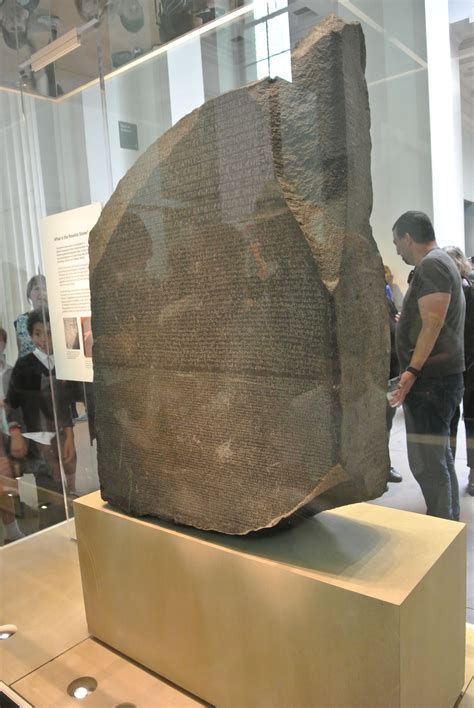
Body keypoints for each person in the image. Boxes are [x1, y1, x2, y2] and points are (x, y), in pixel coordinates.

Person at [390, 211, 465, 521]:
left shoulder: (432, 264)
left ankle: (443, 526)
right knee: (439, 460)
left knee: (429, 463)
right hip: (439, 381)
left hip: (432, 384)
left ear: (409, 238)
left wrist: (411, 372)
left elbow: (432, 325)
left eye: (397, 243)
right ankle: (446, 522)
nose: (396, 250)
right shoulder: (440, 262)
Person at [5, 308, 77, 526]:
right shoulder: (25, 365)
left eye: (49, 333)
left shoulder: (63, 362)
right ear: (31, 335)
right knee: (48, 489)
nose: (44, 339)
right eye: (38, 333)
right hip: (38, 437)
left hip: (62, 434)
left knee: (67, 485)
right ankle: (51, 532)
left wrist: (70, 437)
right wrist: (16, 433)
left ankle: (68, 528)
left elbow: (66, 404)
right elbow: (13, 403)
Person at [443, 246, 474, 496]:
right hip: (452, 366)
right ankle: (451, 471)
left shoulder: (467, 291)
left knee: (470, 420)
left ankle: (471, 472)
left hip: (467, 366)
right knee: (452, 420)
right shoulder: (446, 293)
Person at [14, 274, 48, 357]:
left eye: (45, 289)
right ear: (29, 294)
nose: (42, 293)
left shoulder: (56, 318)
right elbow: (21, 352)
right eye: (37, 289)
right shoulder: (20, 321)